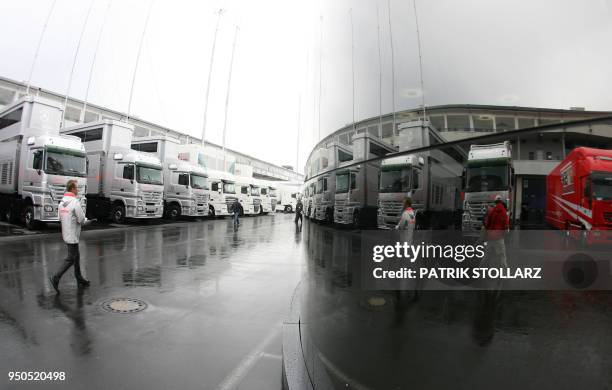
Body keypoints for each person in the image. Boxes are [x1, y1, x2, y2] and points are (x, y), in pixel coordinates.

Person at [50, 180, 91, 294]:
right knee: (71, 258)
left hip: (66, 233)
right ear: (72, 189)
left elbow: (60, 218)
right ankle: (56, 277)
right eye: (76, 188)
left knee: (76, 256)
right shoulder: (75, 202)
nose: (77, 190)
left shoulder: (62, 202)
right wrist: (88, 221)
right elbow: (81, 219)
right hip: (73, 235)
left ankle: (79, 278)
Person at [483, 195, 509, 268]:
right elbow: (506, 226)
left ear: (495, 202)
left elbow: (488, 224)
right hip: (499, 237)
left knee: (486, 255)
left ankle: (479, 270)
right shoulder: (504, 212)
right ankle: (504, 273)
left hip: (491, 237)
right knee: (502, 255)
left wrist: (487, 234)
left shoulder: (492, 211)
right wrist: (504, 234)